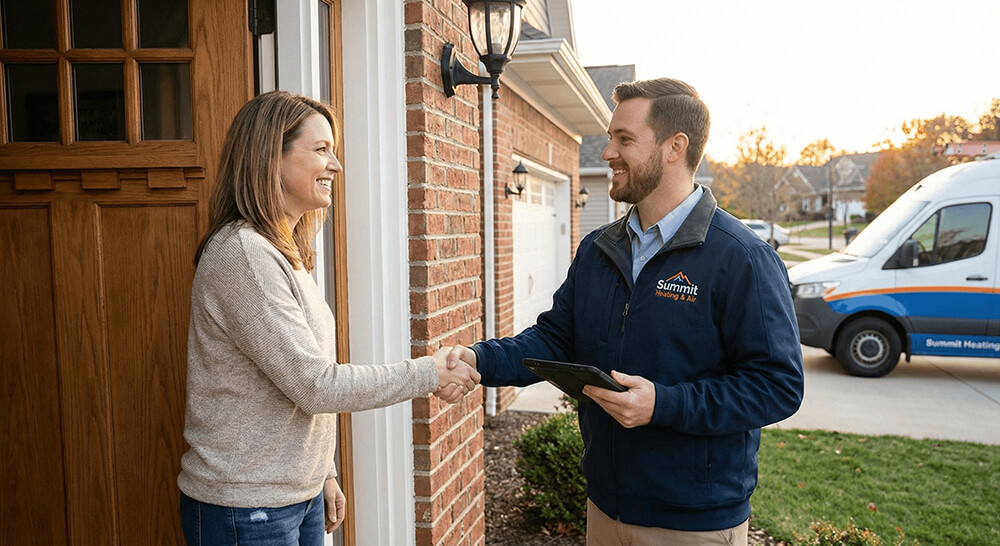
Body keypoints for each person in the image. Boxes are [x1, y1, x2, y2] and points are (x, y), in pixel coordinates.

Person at [444, 78, 803, 544]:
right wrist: (479, 360)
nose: (607, 152)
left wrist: (664, 404)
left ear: (676, 147)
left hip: (693, 522)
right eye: (610, 137)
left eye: (624, 139)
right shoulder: (598, 248)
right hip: (605, 508)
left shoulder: (741, 257)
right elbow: (556, 339)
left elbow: (778, 384)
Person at [178, 91, 479, 546]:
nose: (336, 165)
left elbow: (296, 381)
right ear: (269, 157)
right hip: (247, 509)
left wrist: (324, 472)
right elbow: (316, 384)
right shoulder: (245, 254)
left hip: (293, 499)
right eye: (321, 150)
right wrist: (429, 372)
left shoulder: (282, 252)